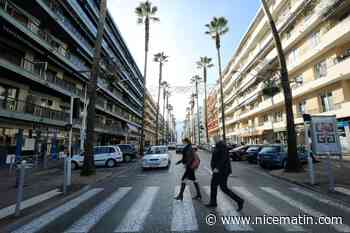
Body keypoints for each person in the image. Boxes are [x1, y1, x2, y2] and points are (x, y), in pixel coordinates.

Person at [206, 140, 244, 211]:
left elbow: (223, 159)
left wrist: (217, 168)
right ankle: (213, 202)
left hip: (221, 171)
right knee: (215, 186)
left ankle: (239, 201)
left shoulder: (223, 148)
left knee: (223, 188)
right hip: (218, 171)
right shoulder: (218, 147)